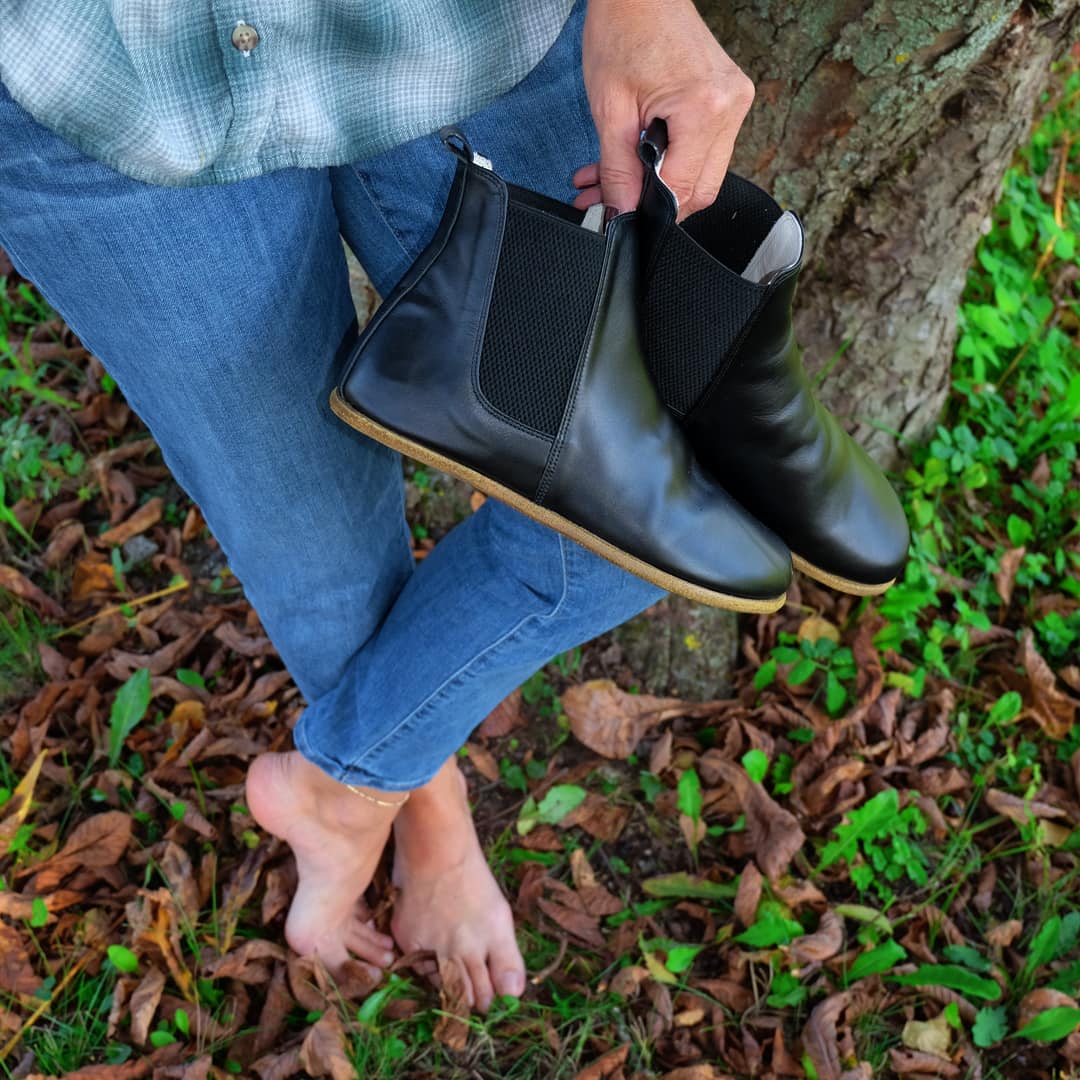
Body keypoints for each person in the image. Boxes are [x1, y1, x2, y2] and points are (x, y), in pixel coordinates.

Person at [0, 0, 754, 1013]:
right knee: (314, 541)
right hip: (105, 91)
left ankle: (347, 785)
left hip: (459, 37)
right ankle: (421, 813)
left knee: (663, 487)